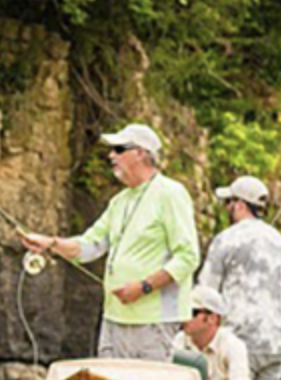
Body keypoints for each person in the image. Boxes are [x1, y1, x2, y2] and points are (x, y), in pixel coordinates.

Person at [21, 123, 200, 361]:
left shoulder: (171, 193)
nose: (111, 155)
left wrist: (143, 287)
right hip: (113, 319)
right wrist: (49, 244)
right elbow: (89, 247)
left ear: (140, 153)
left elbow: (188, 257)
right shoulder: (119, 201)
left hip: (155, 323)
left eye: (119, 149)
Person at [195, 175, 281, 380]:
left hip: (240, 341)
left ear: (239, 204)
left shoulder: (225, 240)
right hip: (276, 343)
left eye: (229, 202)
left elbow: (205, 292)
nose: (226, 208)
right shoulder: (280, 243)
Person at [172, 286, 252, 380]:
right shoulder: (178, 341)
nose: (184, 316)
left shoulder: (233, 345)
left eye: (192, 312)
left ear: (213, 318)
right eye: (183, 310)